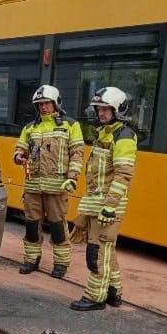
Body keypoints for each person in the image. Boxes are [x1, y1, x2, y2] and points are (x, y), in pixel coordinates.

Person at [69, 87, 137, 311]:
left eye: (106, 109)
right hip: (98, 203)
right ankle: (114, 292)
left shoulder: (123, 136)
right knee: (108, 251)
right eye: (99, 109)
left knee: (96, 251)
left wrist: (109, 206)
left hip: (108, 206)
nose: (101, 113)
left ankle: (95, 297)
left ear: (118, 110)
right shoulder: (105, 133)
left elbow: (123, 174)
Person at [13, 85, 84, 279]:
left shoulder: (70, 125)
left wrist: (72, 178)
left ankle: (60, 264)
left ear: (56, 103)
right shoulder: (30, 127)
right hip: (33, 186)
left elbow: (78, 153)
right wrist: (19, 156)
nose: (43, 107)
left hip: (57, 187)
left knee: (58, 227)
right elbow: (20, 149)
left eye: (47, 103)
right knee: (31, 226)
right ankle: (31, 260)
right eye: (40, 104)